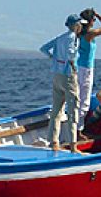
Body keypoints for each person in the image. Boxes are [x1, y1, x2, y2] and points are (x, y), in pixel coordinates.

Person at [39, 14, 86, 153]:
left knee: (56, 110)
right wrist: (72, 65)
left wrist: (54, 59)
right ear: (75, 25)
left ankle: (54, 141)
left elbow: (43, 48)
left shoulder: (60, 38)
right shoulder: (73, 38)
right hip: (68, 75)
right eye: (80, 24)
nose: (81, 27)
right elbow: (71, 54)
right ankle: (73, 145)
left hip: (57, 75)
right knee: (73, 110)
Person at [76, 8, 101, 134]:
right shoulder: (90, 34)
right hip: (85, 69)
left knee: (77, 98)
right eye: (93, 20)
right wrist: (98, 14)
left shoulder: (78, 33)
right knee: (84, 100)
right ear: (90, 21)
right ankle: (79, 131)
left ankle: (76, 127)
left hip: (78, 68)